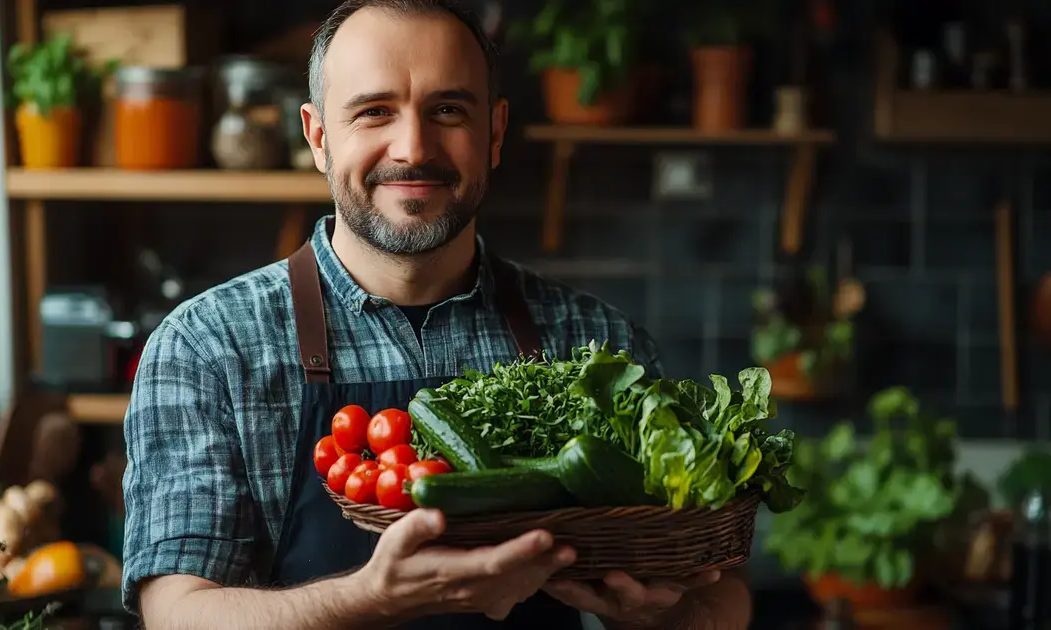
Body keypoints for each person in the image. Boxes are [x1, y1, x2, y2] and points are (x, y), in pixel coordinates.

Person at [121, 1, 753, 628]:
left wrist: (662, 619)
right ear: (317, 137)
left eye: (448, 110)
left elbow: (720, 592)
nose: (413, 147)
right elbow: (177, 612)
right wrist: (370, 599)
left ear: (496, 133)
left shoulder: (597, 344)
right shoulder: (208, 347)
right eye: (374, 112)